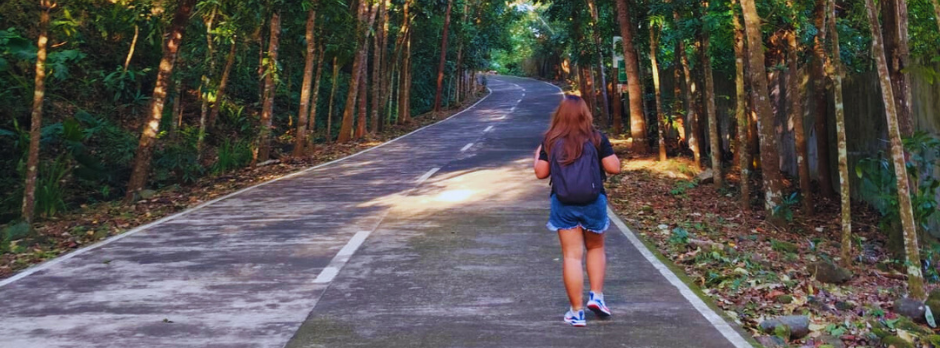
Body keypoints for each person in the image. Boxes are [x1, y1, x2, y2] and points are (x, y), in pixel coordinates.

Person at [533, 94, 621, 327]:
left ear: (560, 114)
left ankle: (576, 312)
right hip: (593, 202)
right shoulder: (596, 138)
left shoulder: (551, 139)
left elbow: (541, 173)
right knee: (596, 247)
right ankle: (597, 297)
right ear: (585, 114)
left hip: (563, 203)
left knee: (572, 256)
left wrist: (538, 153)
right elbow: (614, 168)